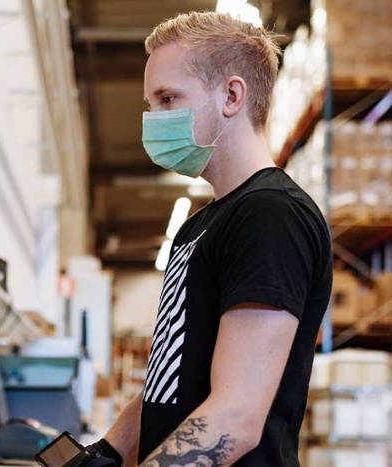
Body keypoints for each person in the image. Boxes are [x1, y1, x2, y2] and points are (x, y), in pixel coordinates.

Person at [84, 11, 334, 467]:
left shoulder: (270, 215)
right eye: (149, 102)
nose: (152, 118)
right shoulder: (200, 225)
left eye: (167, 98)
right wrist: (106, 451)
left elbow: (235, 417)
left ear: (232, 95)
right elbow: (171, 381)